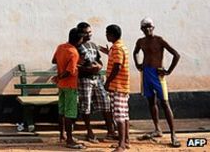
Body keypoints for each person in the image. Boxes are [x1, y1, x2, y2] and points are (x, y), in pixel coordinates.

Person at [133, 17, 181, 147]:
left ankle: (173, 134)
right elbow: (135, 52)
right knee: (151, 101)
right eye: (145, 27)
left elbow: (176, 55)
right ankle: (157, 129)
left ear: (153, 27)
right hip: (146, 74)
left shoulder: (159, 40)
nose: (148, 29)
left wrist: (168, 71)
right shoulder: (141, 41)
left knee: (165, 102)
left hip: (158, 74)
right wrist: (138, 65)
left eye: (150, 26)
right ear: (142, 29)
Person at [76, 22, 117, 142]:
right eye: (86, 32)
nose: (89, 35)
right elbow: (74, 65)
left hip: (97, 78)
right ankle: (89, 132)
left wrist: (98, 66)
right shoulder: (77, 46)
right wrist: (87, 69)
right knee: (86, 106)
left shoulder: (93, 45)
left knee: (106, 103)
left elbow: (99, 60)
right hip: (84, 79)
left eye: (90, 32)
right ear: (80, 33)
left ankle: (111, 131)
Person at [52, 27, 84, 149]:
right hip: (70, 85)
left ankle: (62, 134)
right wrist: (61, 76)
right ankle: (70, 140)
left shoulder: (61, 47)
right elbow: (69, 72)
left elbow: (54, 60)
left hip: (61, 86)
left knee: (62, 111)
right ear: (79, 40)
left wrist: (62, 64)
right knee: (70, 113)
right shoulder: (74, 52)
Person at [104, 24, 130, 152]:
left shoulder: (117, 48)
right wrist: (107, 51)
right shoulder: (120, 46)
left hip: (117, 86)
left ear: (112, 35)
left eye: (107, 33)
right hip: (123, 86)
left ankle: (121, 145)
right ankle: (126, 141)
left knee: (119, 116)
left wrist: (108, 82)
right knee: (124, 115)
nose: (106, 35)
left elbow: (117, 66)